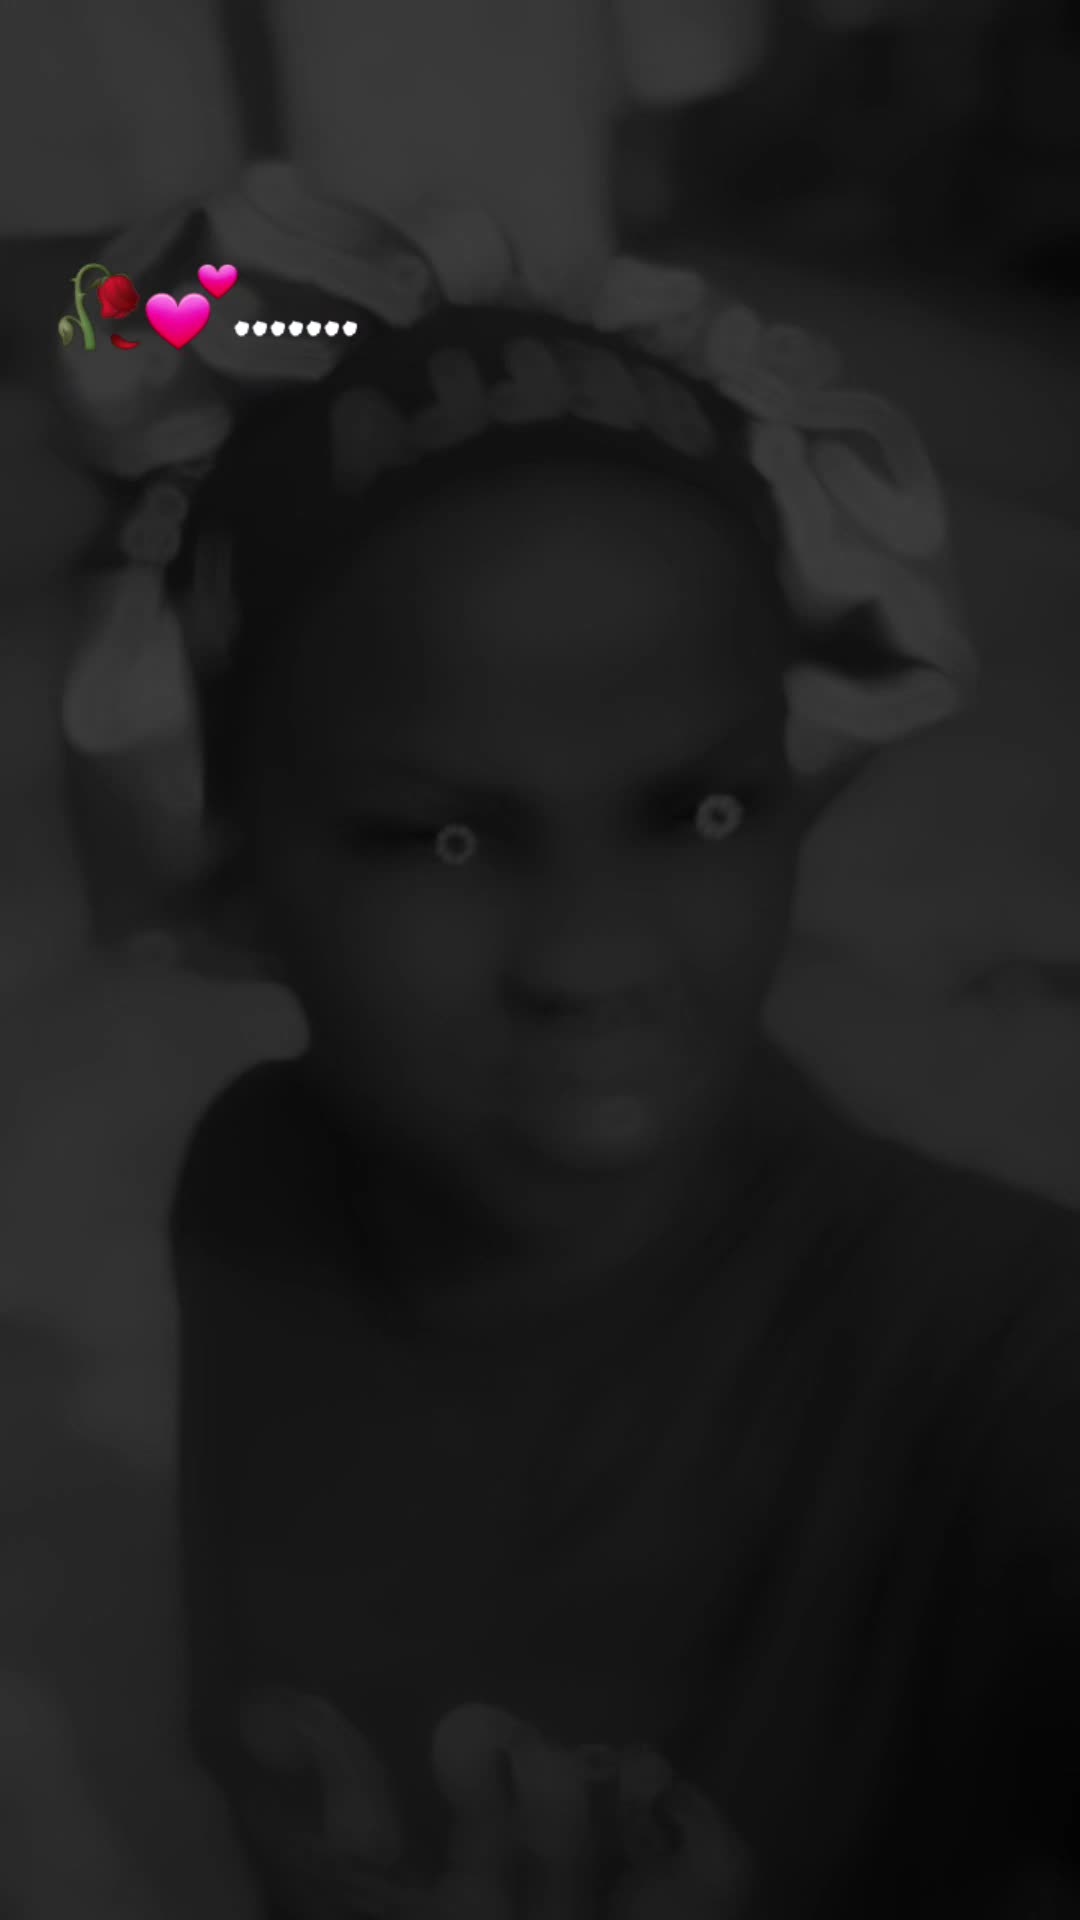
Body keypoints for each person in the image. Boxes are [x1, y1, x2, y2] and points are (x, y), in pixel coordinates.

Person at [55, 164, 1080, 1919]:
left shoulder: (978, 1356)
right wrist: (229, 308)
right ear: (232, 871)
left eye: (696, 809)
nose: (593, 956)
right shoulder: (256, 1191)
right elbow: (110, 308)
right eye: (441, 837)